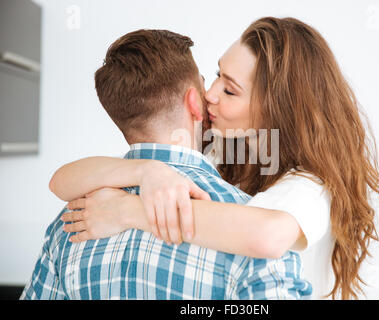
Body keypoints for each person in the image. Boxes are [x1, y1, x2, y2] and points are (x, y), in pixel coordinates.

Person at [48, 17, 379, 300]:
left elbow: (265, 236)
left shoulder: (309, 187)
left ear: (275, 109)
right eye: (217, 75)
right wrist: (147, 170)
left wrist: (131, 211)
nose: (209, 94)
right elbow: (62, 180)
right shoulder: (231, 153)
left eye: (229, 90)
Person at [20, 28, 312, 300]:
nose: (212, 94)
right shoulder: (247, 235)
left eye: (229, 89)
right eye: (208, 81)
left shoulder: (75, 220)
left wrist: (132, 205)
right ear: (194, 104)